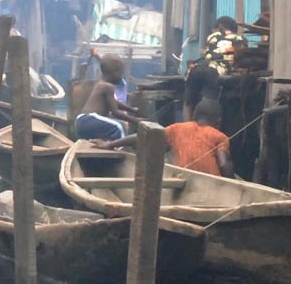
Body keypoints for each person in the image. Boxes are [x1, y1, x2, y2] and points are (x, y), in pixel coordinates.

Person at [97, 99, 234, 177]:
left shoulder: (177, 128)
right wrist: (232, 183)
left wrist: (110, 145)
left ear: (194, 115)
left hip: (183, 179)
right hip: (212, 185)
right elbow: (223, 164)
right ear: (218, 121)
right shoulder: (220, 137)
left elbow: (144, 136)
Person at [186, 16, 247, 115]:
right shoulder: (240, 39)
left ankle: (187, 122)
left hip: (198, 69)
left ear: (220, 27)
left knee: (188, 101)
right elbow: (241, 62)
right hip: (217, 72)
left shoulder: (212, 37)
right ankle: (208, 120)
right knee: (209, 101)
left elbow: (208, 55)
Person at [72, 54, 140, 142]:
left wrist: (132, 110)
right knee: (119, 126)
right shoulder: (107, 86)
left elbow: (115, 103)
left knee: (112, 128)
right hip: (89, 119)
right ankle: (121, 150)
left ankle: (107, 146)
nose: (121, 76)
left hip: (82, 122)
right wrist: (136, 121)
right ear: (114, 73)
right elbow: (116, 112)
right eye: (121, 73)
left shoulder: (101, 84)